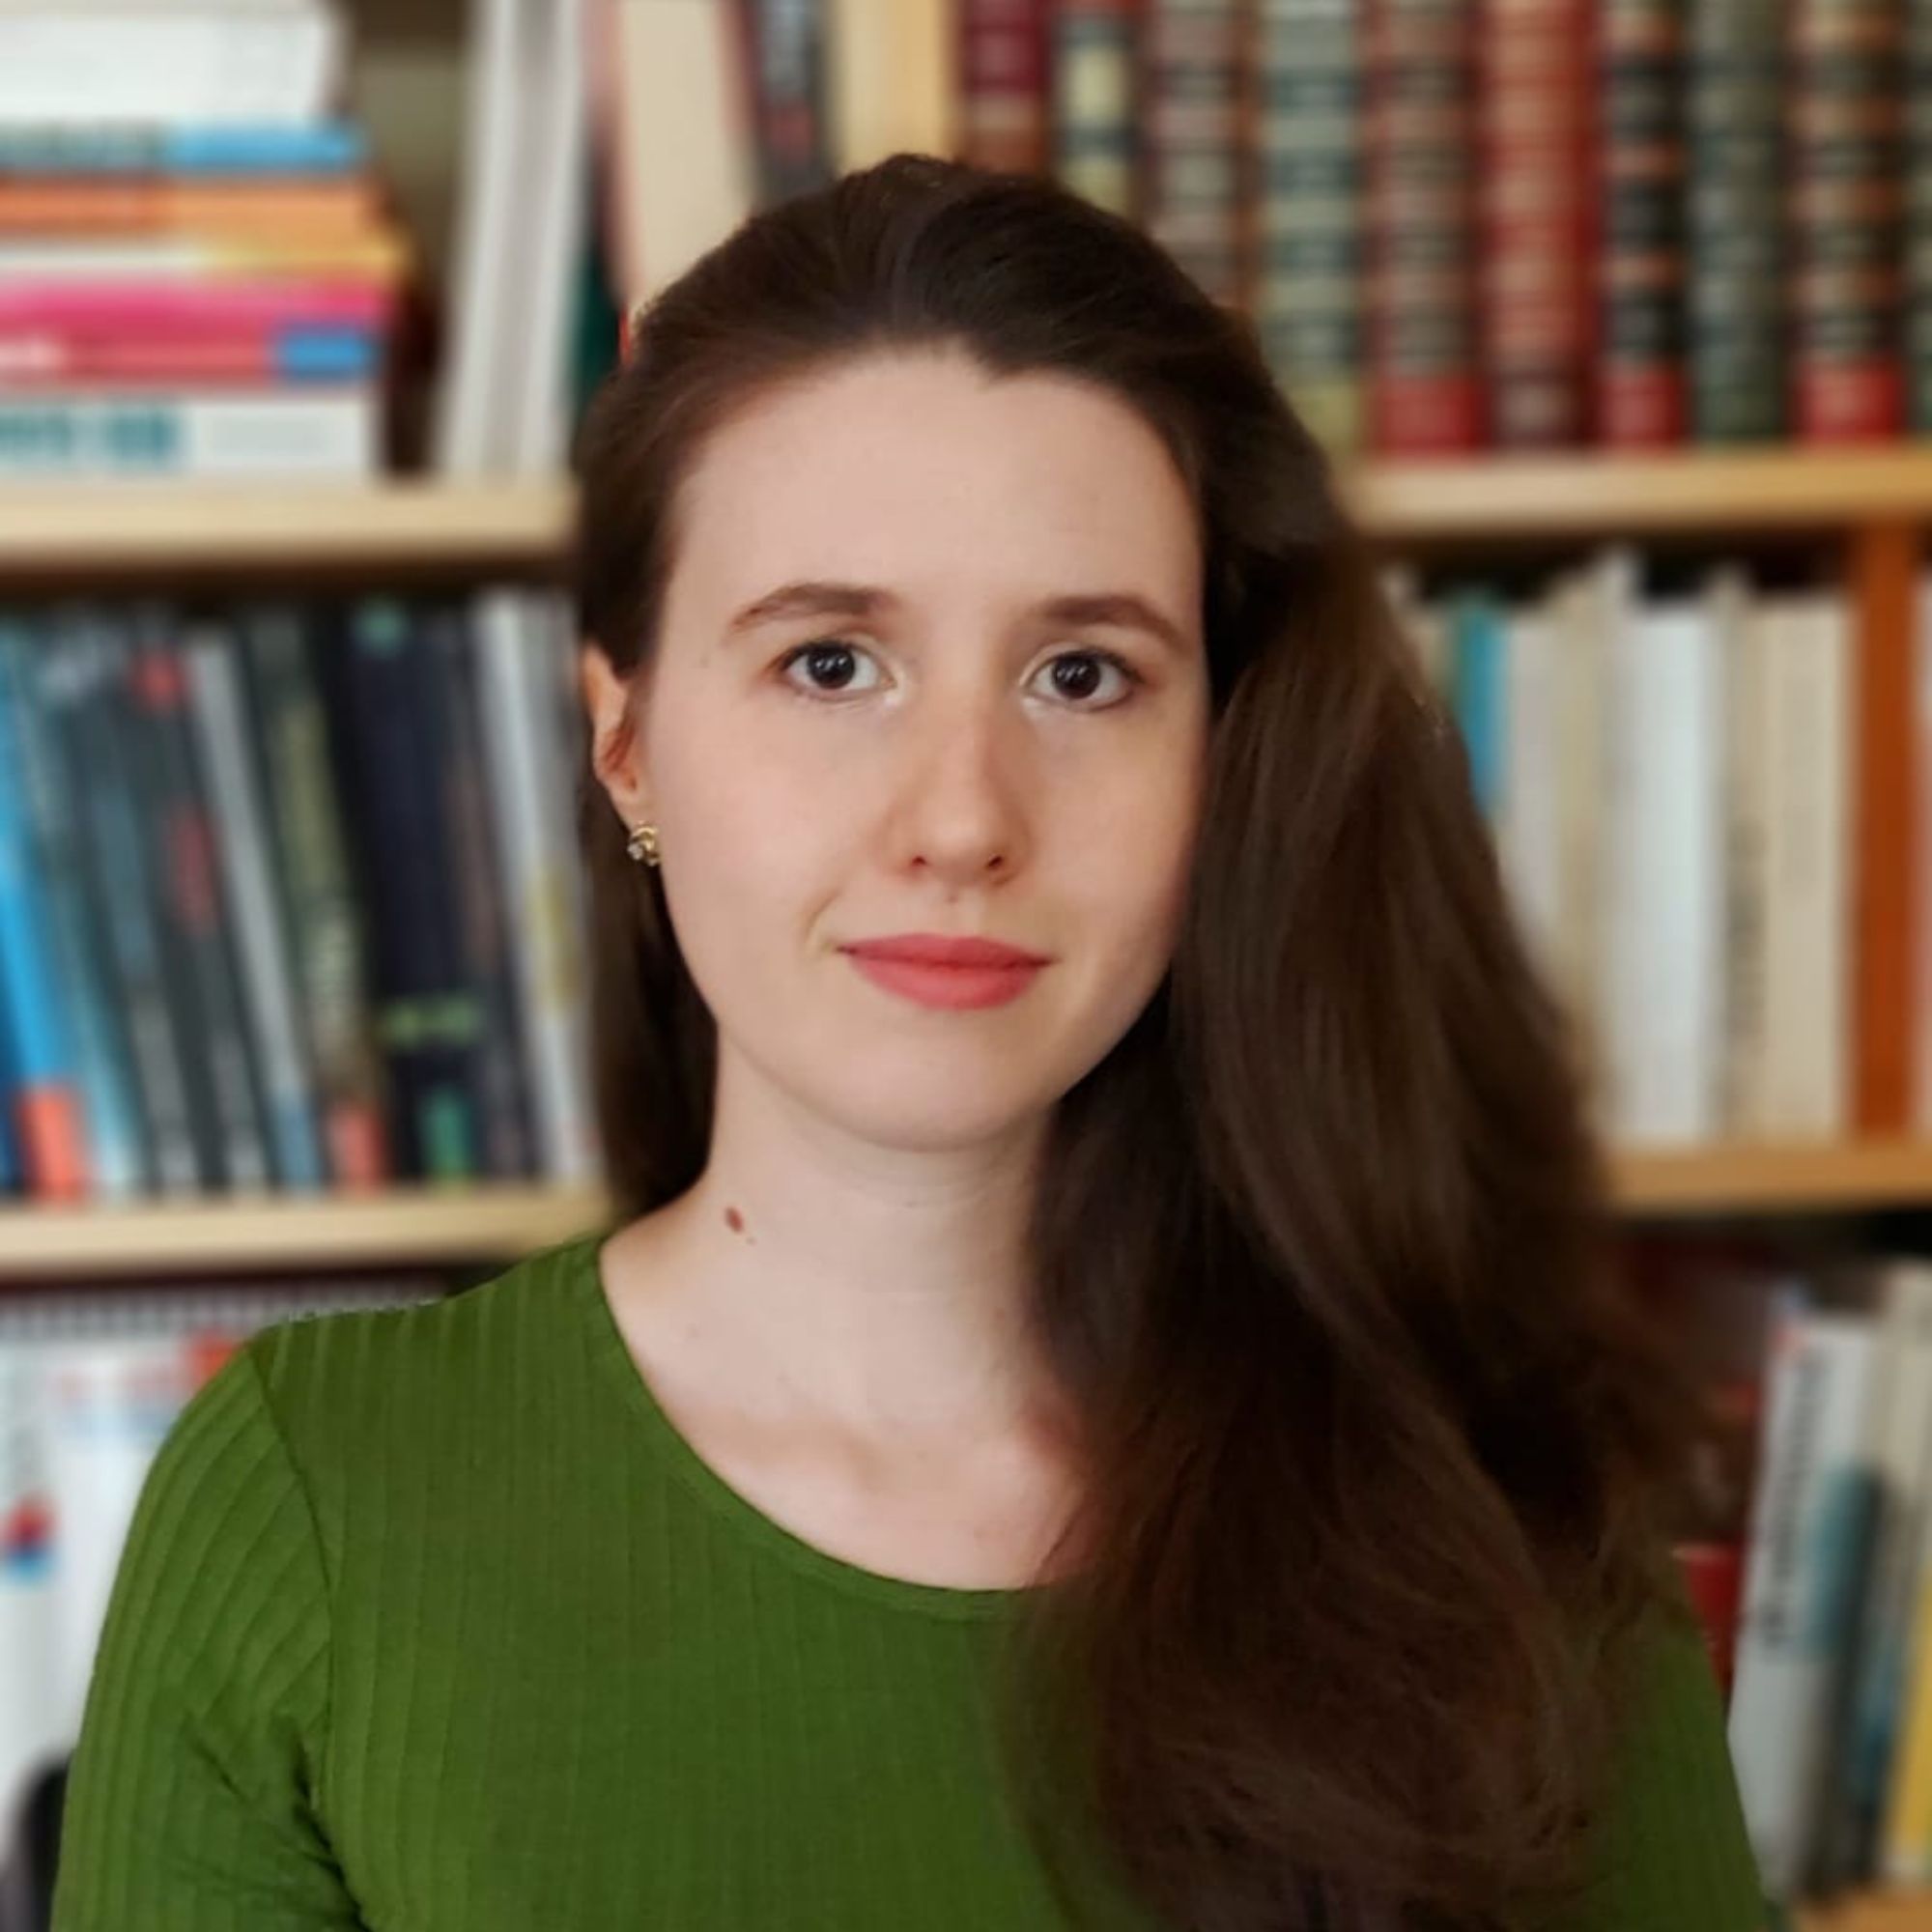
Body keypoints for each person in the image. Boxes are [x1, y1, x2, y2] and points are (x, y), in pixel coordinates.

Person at [52, 156, 1765, 1932]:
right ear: (626, 739)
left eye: (1082, 675)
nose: (961, 820)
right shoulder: (314, 1506)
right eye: (830, 663)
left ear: (1221, 758)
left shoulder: (1510, 1514)